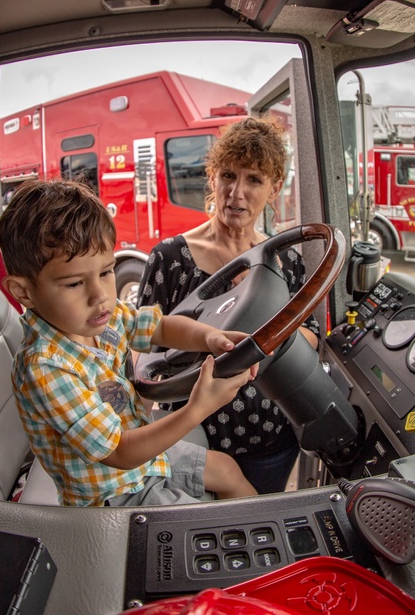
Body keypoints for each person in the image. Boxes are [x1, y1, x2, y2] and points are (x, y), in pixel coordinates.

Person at [0, 179, 258, 506]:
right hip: (113, 493)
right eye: (75, 283)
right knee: (196, 520)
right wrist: (198, 408)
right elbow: (119, 451)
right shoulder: (45, 368)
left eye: (106, 273)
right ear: (23, 292)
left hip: (142, 458)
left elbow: (158, 328)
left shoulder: (100, 317)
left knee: (227, 470)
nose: (100, 296)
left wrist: (208, 336)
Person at [137, 116, 320, 494]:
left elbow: (313, 338)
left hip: (272, 436)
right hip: (192, 437)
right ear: (212, 178)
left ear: (274, 189)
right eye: (228, 176)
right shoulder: (170, 258)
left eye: (254, 179)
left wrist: (259, 321)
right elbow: (143, 352)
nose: (237, 192)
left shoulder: (289, 261)